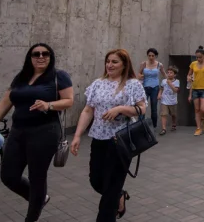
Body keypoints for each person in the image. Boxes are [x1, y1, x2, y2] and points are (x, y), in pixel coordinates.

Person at [0, 43, 74, 222]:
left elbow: (69, 101)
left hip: (45, 132)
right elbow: (4, 104)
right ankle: (39, 199)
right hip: (18, 131)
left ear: (51, 56)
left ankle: (31, 216)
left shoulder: (59, 76)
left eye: (45, 54)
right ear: (30, 57)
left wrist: (49, 105)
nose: (41, 57)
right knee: (8, 176)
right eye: (36, 54)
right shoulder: (21, 77)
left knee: (37, 176)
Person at [70, 48, 147, 221]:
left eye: (114, 62)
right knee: (96, 180)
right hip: (99, 137)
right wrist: (76, 136)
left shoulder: (132, 84)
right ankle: (120, 195)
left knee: (111, 186)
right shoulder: (98, 83)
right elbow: (88, 110)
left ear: (124, 64)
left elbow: (142, 109)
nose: (109, 65)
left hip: (121, 140)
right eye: (108, 61)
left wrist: (120, 109)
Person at [138, 48, 167, 129]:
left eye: (153, 56)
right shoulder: (143, 64)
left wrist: (168, 82)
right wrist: (140, 76)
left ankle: (154, 126)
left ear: (156, 56)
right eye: (149, 56)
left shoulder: (159, 65)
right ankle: (140, 125)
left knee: (154, 107)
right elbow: (139, 74)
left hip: (155, 87)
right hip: (145, 87)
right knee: (142, 106)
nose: (151, 57)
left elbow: (164, 75)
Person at [158, 66, 180, 135]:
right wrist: (159, 94)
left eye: (171, 73)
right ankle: (164, 129)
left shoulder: (177, 81)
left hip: (173, 101)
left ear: (174, 74)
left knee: (173, 114)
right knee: (164, 114)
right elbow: (161, 88)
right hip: (164, 100)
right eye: (168, 73)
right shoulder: (164, 81)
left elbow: (175, 90)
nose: (169, 74)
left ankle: (173, 124)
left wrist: (170, 83)